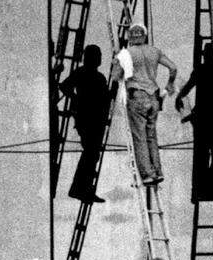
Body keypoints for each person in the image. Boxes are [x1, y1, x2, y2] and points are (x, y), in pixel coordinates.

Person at [112, 22, 177, 186]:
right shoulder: (154, 51)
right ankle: (157, 171)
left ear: (130, 37)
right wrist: (169, 84)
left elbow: (115, 77)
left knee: (139, 137)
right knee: (151, 137)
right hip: (153, 97)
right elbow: (173, 68)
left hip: (137, 96)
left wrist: (118, 63)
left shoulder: (126, 53)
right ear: (145, 35)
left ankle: (147, 174)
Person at [175, 38, 213, 202]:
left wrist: (179, 98)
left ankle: (204, 187)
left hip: (204, 117)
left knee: (203, 153)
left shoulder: (203, 69)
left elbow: (187, 88)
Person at [59, 43, 110, 203]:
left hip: (93, 119)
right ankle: (80, 189)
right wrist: (76, 99)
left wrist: (75, 99)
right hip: (89, 119)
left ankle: (82, 189)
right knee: (91, 154)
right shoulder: (85, 74)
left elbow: (65, 86)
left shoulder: (94, 76)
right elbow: (65, 86)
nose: (100, 58)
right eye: (98, 55)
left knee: (92, 154)